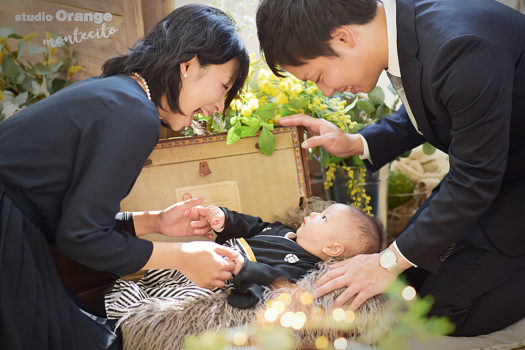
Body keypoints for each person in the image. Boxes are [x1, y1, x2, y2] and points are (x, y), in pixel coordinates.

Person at [256, 0, 525, 337]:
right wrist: (357, 142)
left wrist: (387, 261)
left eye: (319, 77)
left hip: (506, 180)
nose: (325, 91)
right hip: (495, 170)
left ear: (343, 38)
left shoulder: (458, 46)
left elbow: (474, 179)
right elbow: (435, 106)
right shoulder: (407, 29)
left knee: (443, 312)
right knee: (408, 281)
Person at [0, 4, 249, 350]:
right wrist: (182, 257)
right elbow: (82, 236)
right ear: (189, 65)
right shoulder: (135, 115)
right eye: (223, 86)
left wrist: (155, 222)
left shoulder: (122, 94)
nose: (219, 107)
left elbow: (76, 225)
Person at [105, 199, 382, 318]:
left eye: (323, 217)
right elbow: (252, 225)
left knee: (178, 296)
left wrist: (245, 267)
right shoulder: (283, 231)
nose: (312, 214)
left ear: (333, 249)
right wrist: (223, 217)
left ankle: (130, 304)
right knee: (164, 273)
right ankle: (138, 287)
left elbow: (275, 280)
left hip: (219, 277)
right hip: (206, 258)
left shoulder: (305, 266)